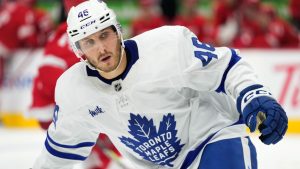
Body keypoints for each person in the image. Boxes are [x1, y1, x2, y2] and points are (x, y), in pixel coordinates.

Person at [33, 0, 288, 168]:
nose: (101, 48)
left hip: (213, 138)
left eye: (104, 35)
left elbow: (226, 65)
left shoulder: (167, 45)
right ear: (79, 52)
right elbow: (58, 153)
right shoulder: (73, 90)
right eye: (89, 42)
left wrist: (255, 95)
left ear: (118, 32)